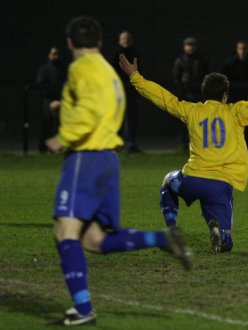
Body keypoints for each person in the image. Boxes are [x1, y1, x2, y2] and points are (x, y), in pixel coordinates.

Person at [46, 16, 192, 326]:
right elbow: (106, 109)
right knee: (94, 240)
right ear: (99, 43)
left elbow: (89, 114)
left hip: (85, 158)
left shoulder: (80, 69)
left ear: (70, 43)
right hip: (109, 161)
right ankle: (161, 239)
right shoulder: (108, 74)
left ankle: (84, 310)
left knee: (65, 233)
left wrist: (63, 138)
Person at [119, 53, 248, 253]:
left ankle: (170, 229)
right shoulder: (235, 113)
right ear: (225, 95)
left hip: (192, 179)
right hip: (220, 186)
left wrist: (135, 77)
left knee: (168, 182)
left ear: (204, 95)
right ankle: (222, 235)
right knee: (227, 243)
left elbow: (164, 98)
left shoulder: (191, 111)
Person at [222, 40, 248, 151]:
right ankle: (234, 146)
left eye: (244, 48)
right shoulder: (230, 63)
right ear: (237, 49)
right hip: (235, 97)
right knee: (234, 122)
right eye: (240, 48)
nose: (242, 51)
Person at [172, 37, 209, 150]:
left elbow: (206, 75)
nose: (190, 47)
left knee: (199, 120)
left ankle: (198, 143)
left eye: (192, 45)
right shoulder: (181, 60)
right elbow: (176, 77)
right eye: (188, 45)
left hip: (198, 94)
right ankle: (184, 143)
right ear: (184, 47)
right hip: (185, 93)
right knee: (185, 120)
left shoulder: (201, 60)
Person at [112, 30, 141, 153]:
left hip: (131, 89)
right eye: (124, 38)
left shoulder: (135, 54)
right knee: (118, 117)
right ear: (120, 40)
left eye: (127, 38)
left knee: (130, 117)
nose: (126, 40)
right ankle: (117, 144)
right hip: (119, 90)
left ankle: (130, 144)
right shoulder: (116, 54)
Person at [35, 46, 67, 153]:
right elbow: (40, 85)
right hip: (49, 100)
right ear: (49, 55)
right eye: (53, 54)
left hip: (61, 100)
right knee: (46, 124)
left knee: (60, 125)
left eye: (57, 53)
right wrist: (49, 97)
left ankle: (57, 149)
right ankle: (43, 149)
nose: (56, 56)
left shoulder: (63, 68)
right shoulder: (44, 69)